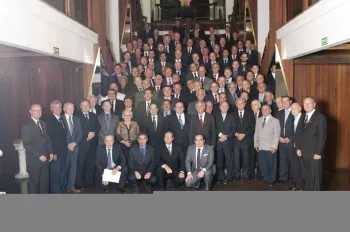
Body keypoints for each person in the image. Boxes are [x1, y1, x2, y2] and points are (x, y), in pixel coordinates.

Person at [296, 96, 327, 191]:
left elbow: (322, 137)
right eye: (305, 103)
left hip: (314, 154)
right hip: (303, 153)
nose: (307, 105)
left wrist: (318, 153)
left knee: (315, 178)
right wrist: (298, 148)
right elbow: (299, 134)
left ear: (314, 105)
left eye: (309, 103)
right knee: (306, 177)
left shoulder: (320, 117)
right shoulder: (302, 116)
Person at [21, 104, 53, 193]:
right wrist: (39, 155)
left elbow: (48, 139)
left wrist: (50, 152)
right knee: (34, 184)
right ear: (30, 112)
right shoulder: (26, 125)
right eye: (36, 110)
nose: (38, 112)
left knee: (45, 183)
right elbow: (27, 144)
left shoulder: (43, 123)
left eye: (40, 110)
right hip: (35, 160)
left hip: (45, 159)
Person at [45, 100, 68, 193]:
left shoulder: (62, 119)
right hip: (55, 154)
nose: (58, 109)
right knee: (55, 176)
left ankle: (61, 192)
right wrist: (53, 152)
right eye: (55, 107)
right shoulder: (48, 121)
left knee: (63, 175)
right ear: (51, 109)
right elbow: (49, 139)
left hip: (64, 152)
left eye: (59, 107)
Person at [254, 105, 281, 186]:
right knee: (262, 165)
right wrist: (256, 144)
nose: (264, 110)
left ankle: (272, 180)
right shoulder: (258, 120)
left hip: (270, 147)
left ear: (270, 110)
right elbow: (256, 133)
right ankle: (266, 178)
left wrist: (274, 146)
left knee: (271, 165)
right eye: (263, 109)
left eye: (266, 109)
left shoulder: (275, 121)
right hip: (261, 146)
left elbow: (277, 134)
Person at [76, 100, 100, 190]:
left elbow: (98, 126)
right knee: (81, 164)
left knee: (91, 164)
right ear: (80, 106)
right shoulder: (76, 116)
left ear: (90, 106)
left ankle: (89, 183)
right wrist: (87, 135)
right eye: (83, 105)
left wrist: (93, 133)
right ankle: (80, 184)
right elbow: (77, 129)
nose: (85, 107)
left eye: (87, 105)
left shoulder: (94, 115)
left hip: (93, 143)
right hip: (82, 143)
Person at [61, 102, 82, 193]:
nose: (71, 110)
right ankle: (63, 187)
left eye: (72, 108)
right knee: (64, 168)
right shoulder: (60, 119)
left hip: (75, 147)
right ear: (64, 109)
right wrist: (67, 145)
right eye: (69, 108)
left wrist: (74, 143)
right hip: (64, 148)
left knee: (73, 168)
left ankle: (71, 186)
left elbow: (80, 134)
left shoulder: (76, 119)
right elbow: (59, 135)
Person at [233, 98, 255, 180]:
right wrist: (236, 134)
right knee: (236, 159)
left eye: (241, 103)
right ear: (236, 105)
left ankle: (246, 176)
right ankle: (237, 175)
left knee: (246, 159)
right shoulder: (232, 114)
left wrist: (244, 134)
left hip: (246, 140)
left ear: (245, 104)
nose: (240, 105)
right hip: (236, 140)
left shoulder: (250, 113)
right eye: (238, 103)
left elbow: (252, 127)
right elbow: (231, 127)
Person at [215, 101, 236, 183]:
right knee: (219, 161)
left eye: (226, 106)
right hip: (219, 142)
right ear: (219, 107)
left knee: (229, 161)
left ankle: (230, 177)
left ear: (228, 108)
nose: (224, 107)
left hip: (228, 142)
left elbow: (234, 130)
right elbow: (214, 127)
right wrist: (220, 135)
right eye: (223, 106)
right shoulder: (215, 116)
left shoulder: (232, 116)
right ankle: (221, 176)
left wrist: (226, 136)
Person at [289, 102, 304, 191]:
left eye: (295, 108)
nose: (293, 110)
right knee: (295, 167)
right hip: (293, 146)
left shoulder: (304, 118)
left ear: (300, 108)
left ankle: (302, 186)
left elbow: (304, 135)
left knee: (302, 168)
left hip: (301, 148)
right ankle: (297, 185)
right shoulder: (293, 119)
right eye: (292, 108)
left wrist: (300, 147)